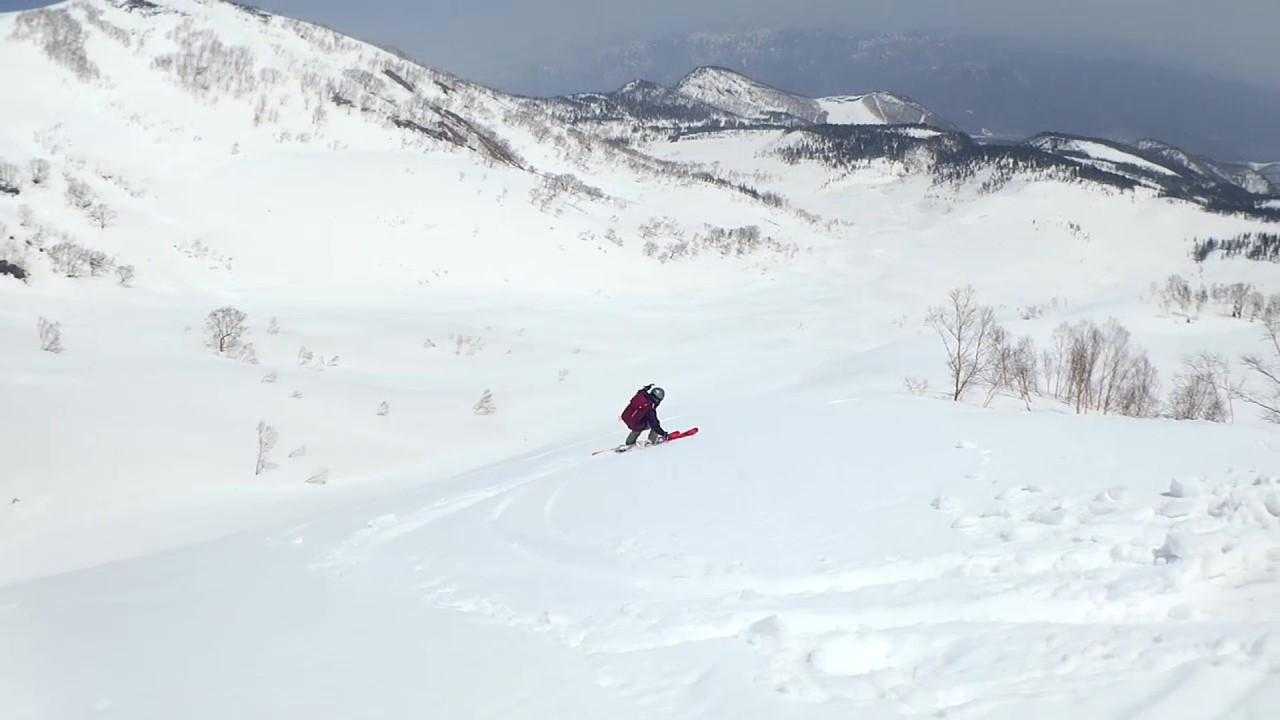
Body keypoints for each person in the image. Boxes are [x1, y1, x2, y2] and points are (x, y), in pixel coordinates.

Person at [620, 384, 669, 448]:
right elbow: (654, 425)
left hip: (626, 417)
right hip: (635, 422)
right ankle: (651, 441)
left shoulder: (642, 396)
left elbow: (640, 392)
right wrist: (663, 434)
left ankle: (629, 442)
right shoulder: (649, 408)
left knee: (639, 423)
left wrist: (646, 388)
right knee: (646, 425)